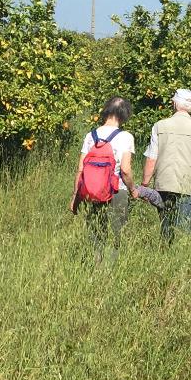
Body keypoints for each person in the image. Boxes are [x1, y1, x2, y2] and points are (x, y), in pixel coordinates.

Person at [142, 88, 191, 240]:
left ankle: (165, 253)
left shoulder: (159, 126)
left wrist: (144, 185)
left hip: (163, 183)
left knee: (166, 226)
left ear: (175, 104)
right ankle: (181, 255)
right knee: (184, 229)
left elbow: (151, 159)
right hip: (187, 185)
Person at [75, 95, 137, 262]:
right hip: (117, 191)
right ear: (124, 115)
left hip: (92, 191)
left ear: (106, 111)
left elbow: (81, 169)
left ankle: (96, 263)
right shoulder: (126, 137)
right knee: (116, 233)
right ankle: (110, 269)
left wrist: (75, 196)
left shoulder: (91, 136)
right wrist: (133, 189)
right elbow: (125, 170)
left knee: (95, 231)